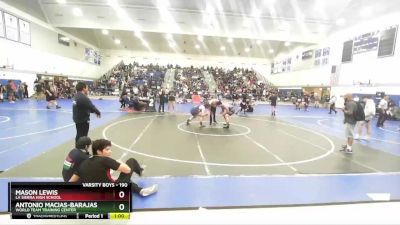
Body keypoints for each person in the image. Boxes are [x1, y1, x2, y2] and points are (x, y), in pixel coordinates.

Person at [69, 139, 158, 197]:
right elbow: (128, 170)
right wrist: (118, 162)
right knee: (131, 161)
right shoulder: (105, 160)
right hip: (112, 194)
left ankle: (141, 190)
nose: (110, 151)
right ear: (99, 151)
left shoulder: (84, 163)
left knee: (124, 181)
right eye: (107, 149)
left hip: (94, 196)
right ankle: (140, 172)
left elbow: (71, 182)